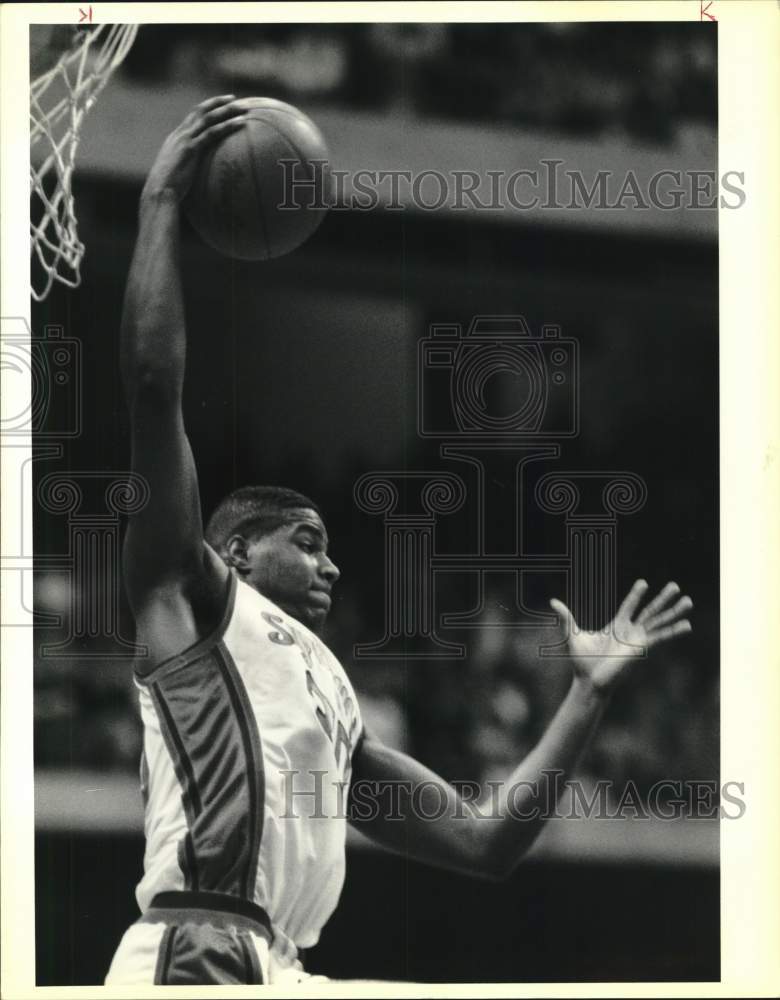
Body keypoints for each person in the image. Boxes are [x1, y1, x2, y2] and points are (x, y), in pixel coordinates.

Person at [105, 96, 693, 986]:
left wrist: (586, 694)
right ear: (234, 553)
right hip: (197, 948)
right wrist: (159, 202)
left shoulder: (332, 698)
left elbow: (484, 842)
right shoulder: (187, 604)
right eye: (307, 541)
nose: (333, 563)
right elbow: (154, 389)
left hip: (283, 964)